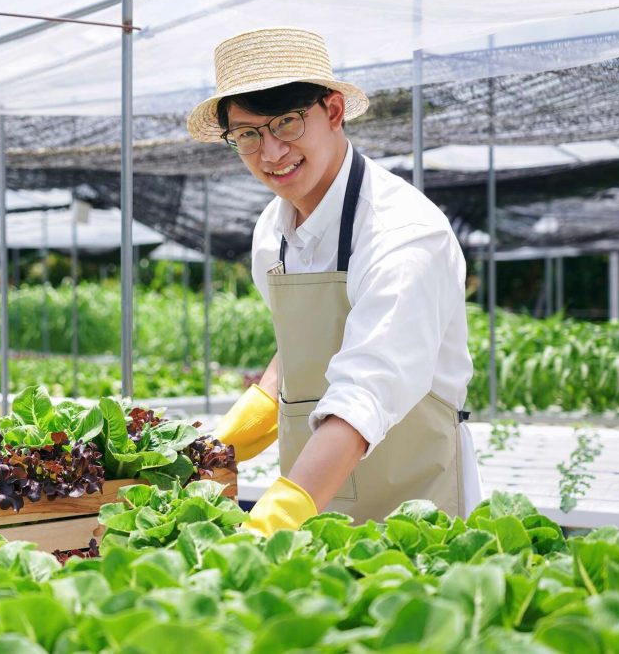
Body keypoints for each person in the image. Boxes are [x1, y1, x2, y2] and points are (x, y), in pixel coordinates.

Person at [186, 27, 481, 536]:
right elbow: (314, 342)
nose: (271, 152)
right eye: (248, 134)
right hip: (314, 499)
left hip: (413, 509)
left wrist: (278, 517)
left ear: (334, 111)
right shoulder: (271, 234)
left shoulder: (403, 235)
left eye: (287, 123)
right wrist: (250, 416)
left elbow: (368, 387)